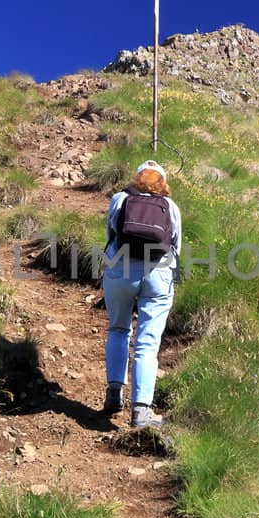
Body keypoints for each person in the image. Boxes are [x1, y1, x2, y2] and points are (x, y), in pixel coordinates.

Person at [101, 160, 181, 428]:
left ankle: (114, 392)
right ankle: (141, 410)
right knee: (147, 342)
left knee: (118, 329)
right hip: (158, 276)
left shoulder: (120, 199)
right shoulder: (170, 207)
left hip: (120, 271)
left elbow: (111, 234)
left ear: (136, 178)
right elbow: (176, 247)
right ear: (162, 182)